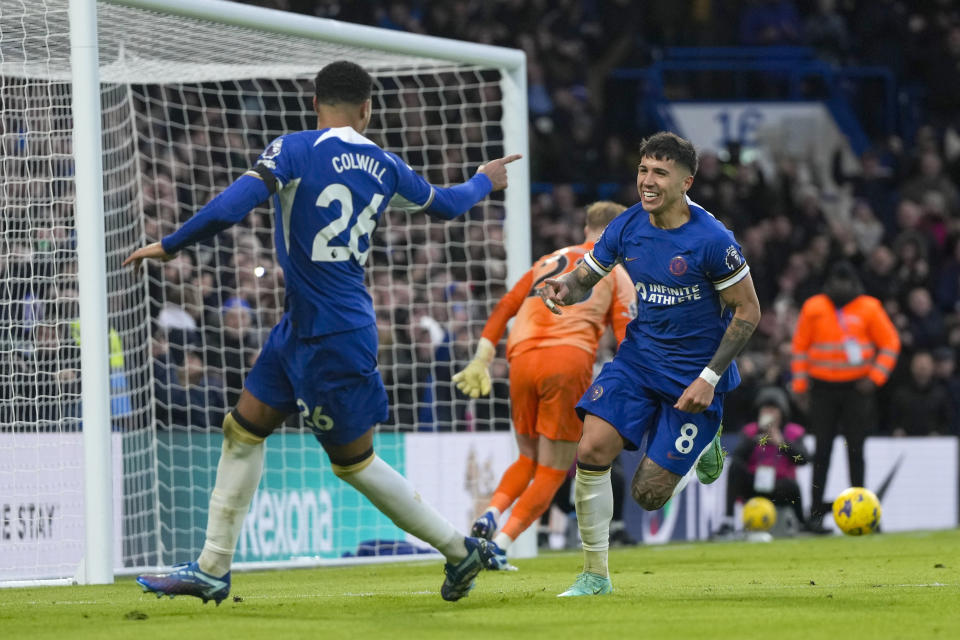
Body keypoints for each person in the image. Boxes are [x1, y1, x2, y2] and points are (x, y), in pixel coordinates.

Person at [127, 60, 521, 603]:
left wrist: (171, 244)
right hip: (307, 326)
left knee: (353, 464)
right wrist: (485, 179)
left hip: (331, 334)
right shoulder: (383, 165)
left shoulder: (293, 149)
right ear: (367, 109)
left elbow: (232, 206)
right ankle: (213, 567)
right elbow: (449, 205)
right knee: (242, 429)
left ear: (315, 103)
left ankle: (459, 550)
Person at [538, 131, 761, 596]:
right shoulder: (626, 226)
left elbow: (748, 310)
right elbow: (587, 277)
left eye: (660, 172)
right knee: (592, 450)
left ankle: (705, 444)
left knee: (647, 495)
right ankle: (594, 576)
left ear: (686, 182)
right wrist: (565, 287)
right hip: (638, 361)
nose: (647, 180)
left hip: (693, 377)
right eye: (643, 170)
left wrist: (709, 378)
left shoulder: (713, 240)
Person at [453, 201, 636, 567]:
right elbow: (627, 336)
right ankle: (500, 545)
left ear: (587, 227)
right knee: (555, 469)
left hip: (519, 359)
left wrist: (482, 358)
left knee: (527, 456)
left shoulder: (545, 262)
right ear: (619, 232)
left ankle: (490, 513)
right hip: (567, 361)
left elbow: (506, 305)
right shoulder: (613, 271)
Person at [790, 261, 900, 532]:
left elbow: (890, 343)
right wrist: (801, 387)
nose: (839, 286)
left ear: (854, 284)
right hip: (822, 390)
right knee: (822, 453)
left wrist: (874, 379)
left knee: (856, 451)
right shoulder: (814, 307)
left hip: (856, 390)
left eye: (844, 281)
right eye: (835, 280)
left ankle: (863, 513)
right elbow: (800, 348)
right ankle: (815, 515)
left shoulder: (869, 307)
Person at [718, 386, 811, 535]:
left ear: (782, 413)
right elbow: (737, 458)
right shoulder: (750, 432)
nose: (769, 414)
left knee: (793, 486)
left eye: (773, 410)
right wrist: (756, 440)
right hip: (755, 484)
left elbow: (804, 459)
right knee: (735, 468)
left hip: (779, 486)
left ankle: (801, 522)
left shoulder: (792, 432)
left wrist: (782, 443)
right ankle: (728, 521)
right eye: (766, 410)